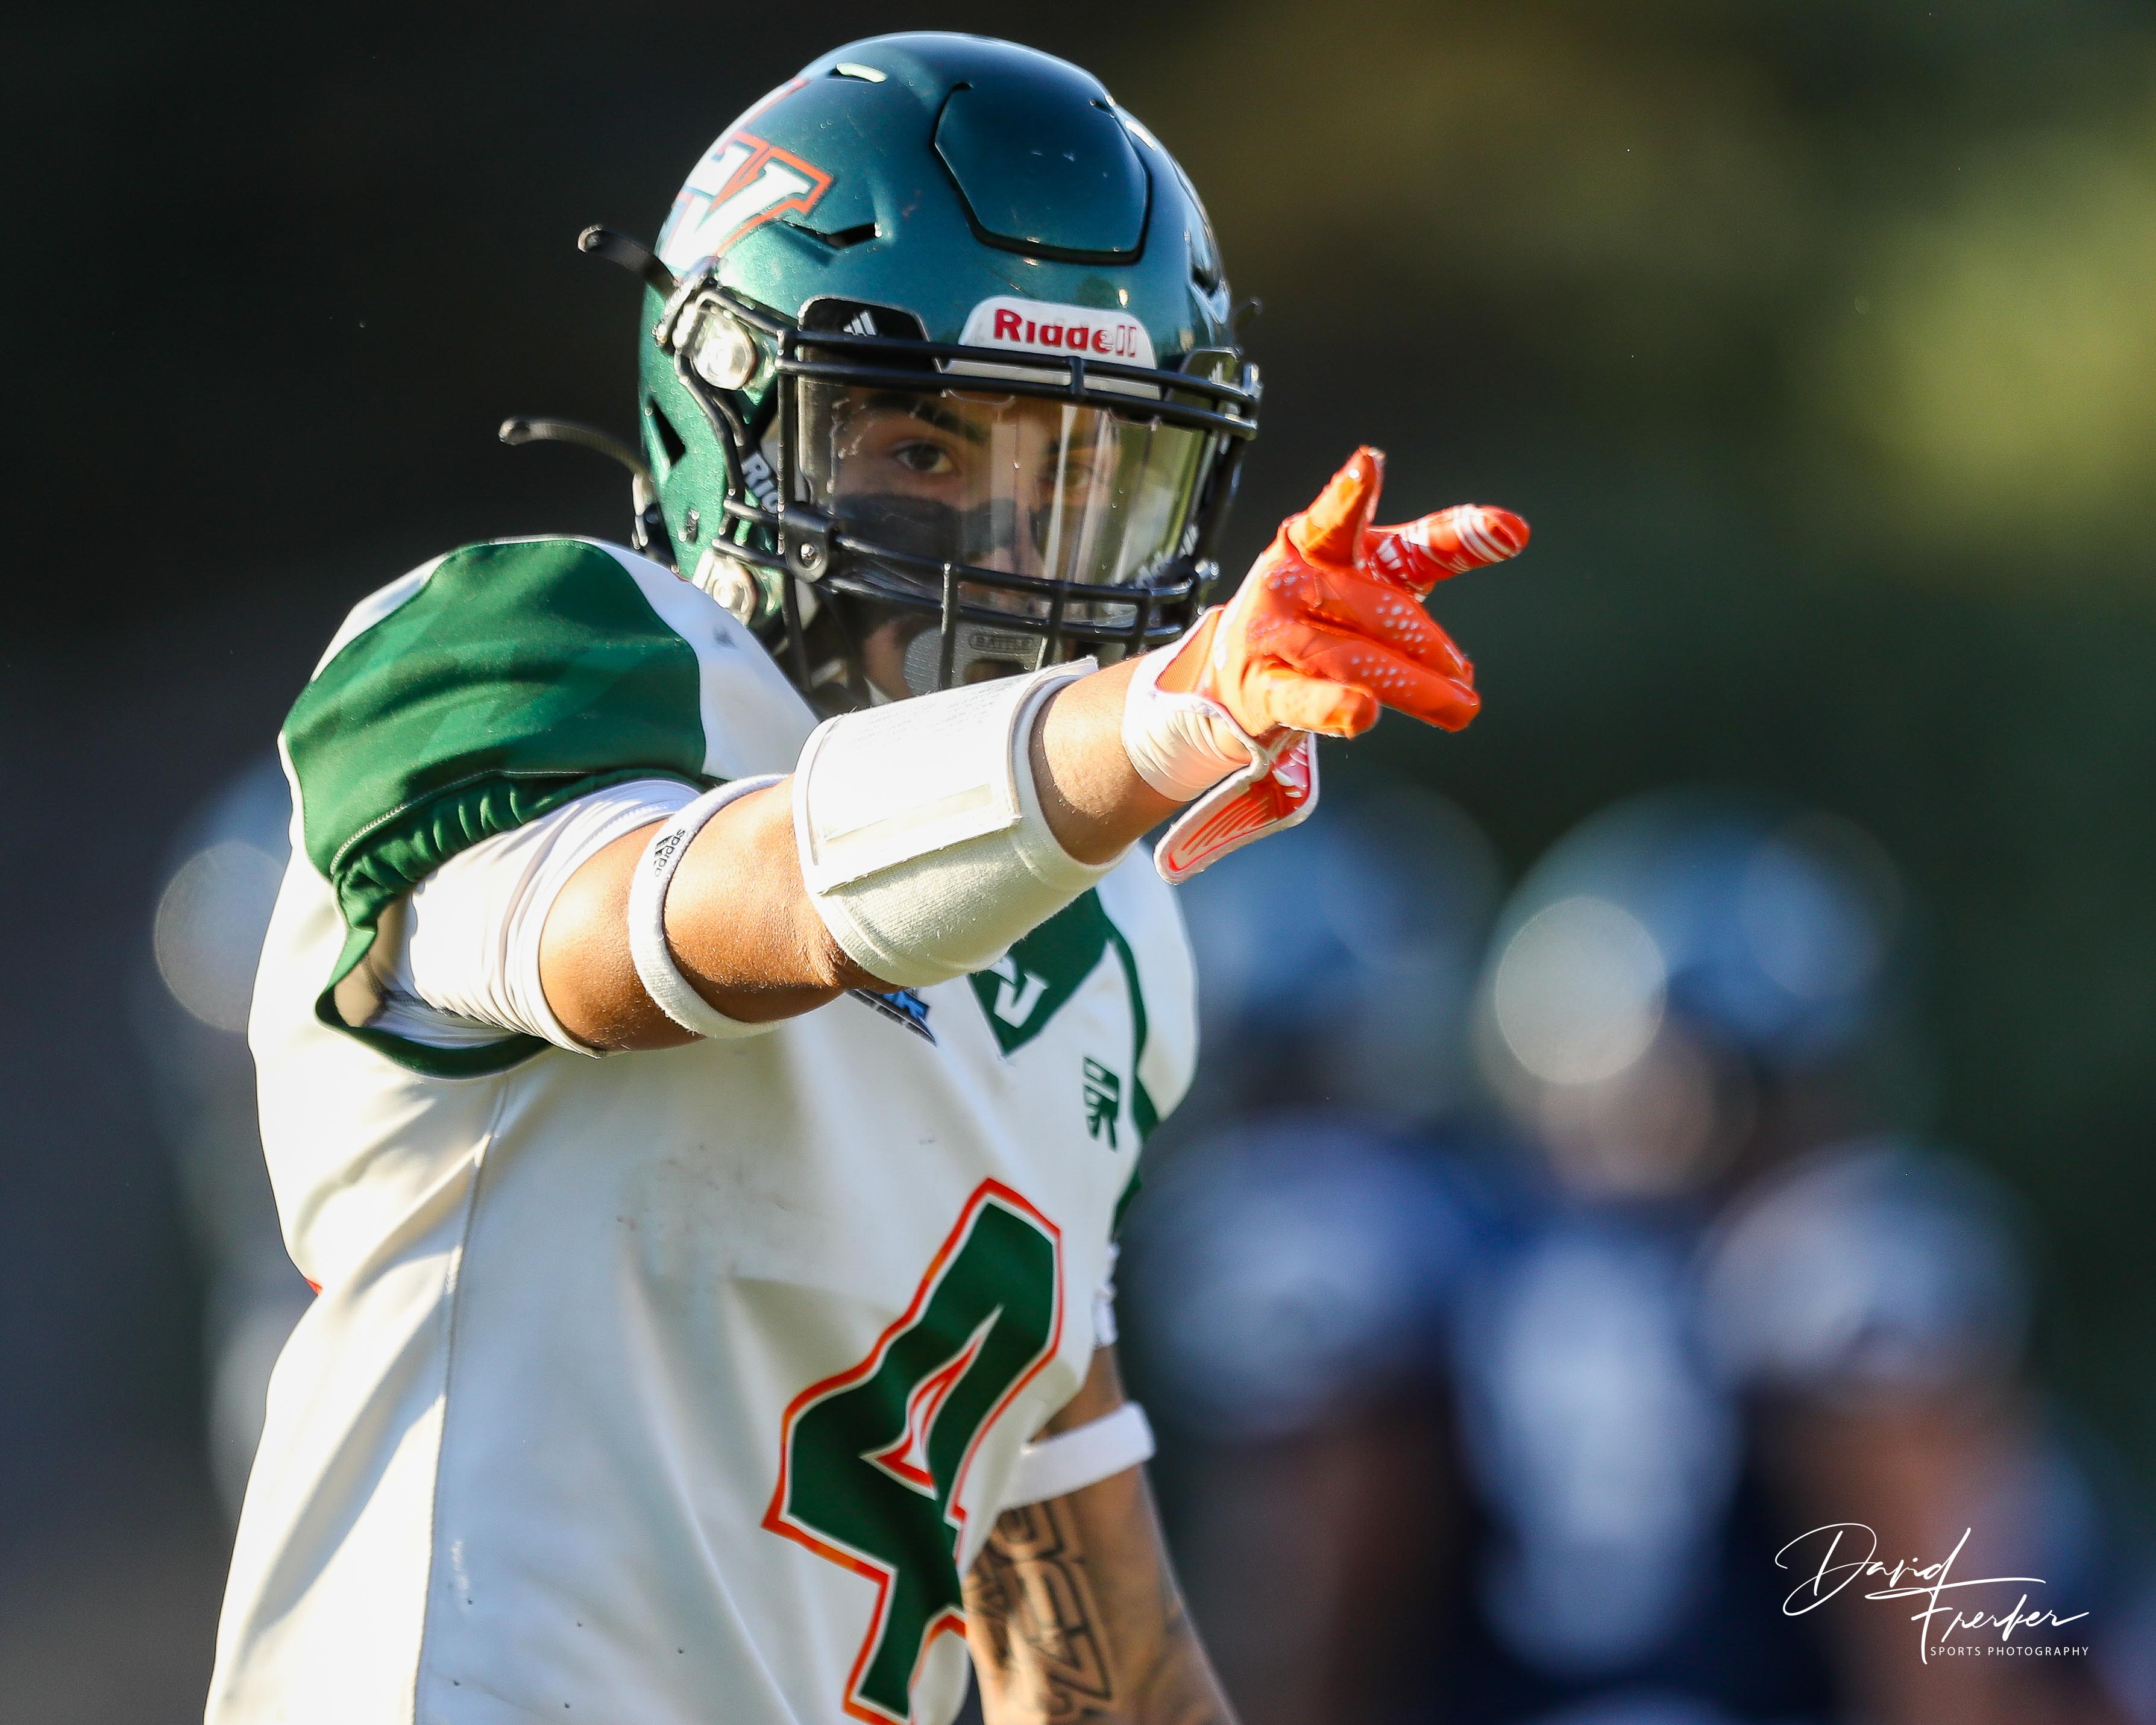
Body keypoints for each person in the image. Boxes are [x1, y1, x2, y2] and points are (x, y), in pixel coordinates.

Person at [204, 33, 1528, 1725]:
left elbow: (1090, 1623)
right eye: (921, 452)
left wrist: (1108, 764)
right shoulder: (554, 647)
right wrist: (1156, 719)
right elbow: (682, 929)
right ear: (726, 415)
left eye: (1077, 475)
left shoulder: (1114, 939)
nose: (1009, 549)